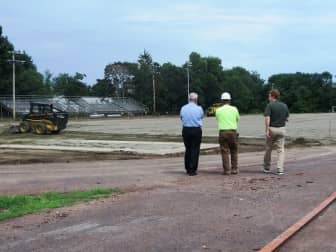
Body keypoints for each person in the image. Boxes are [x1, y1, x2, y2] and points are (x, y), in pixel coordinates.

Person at [263, 89, 289, 175]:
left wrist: (267, 129)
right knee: (280, 150)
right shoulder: (284, 105)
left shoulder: (269, 106)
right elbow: (287, 118)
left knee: (268, 149)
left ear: (272, 96)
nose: (268, 97)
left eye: (269, 96)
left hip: (272, 129)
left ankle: (267, 167)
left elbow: (267, 118)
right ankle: (280, 169)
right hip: (282, 129)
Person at [215, 92, 240, 175]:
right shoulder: (234, 109)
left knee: (225, 151)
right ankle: (234, 169)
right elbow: (237, 119)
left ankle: (227, 170)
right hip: (233, 132)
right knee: (234, 150)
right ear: (230, 100)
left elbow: (218, 119)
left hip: (223, 132)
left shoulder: (218, 110)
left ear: (222, 100)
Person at [180, 92, 204, 176]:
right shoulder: (199, 108)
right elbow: (201, 117)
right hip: (196, 129)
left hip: (186, 129)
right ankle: (192, 169)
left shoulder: (183, 108)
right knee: (195, 149)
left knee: (188, 149)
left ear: (189, 99)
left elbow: (181, 117)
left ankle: (187, 168)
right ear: (196, 99)